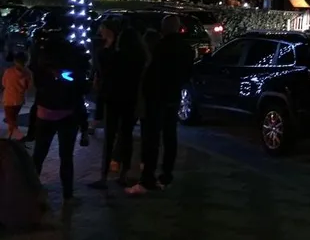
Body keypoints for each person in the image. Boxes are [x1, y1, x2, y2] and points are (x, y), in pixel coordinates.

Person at [126, 15, 193, 195]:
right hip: (173, 96)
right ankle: (166, 176)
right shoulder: (186, 48)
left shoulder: (160, 47)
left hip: (156, 97)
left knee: (152, 139)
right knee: (170, 137)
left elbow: (152, 73)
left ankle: (148, 177)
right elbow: (188, 73)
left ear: (164, 28)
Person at [30, 36, 87, 202]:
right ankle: (68, 194)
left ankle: (31, 189)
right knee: (66, 157)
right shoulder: (73, 67)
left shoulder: (41, 67)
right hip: (68, 115)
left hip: (45, 113)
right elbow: (80, 92)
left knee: (39, 154)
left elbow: (38, 87)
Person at [90, 25, 146, 188]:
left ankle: (104, 175)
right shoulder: (139, 59)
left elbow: (101, 63)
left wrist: (108, 42)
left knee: (110, 137)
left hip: (113, 99)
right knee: (126, 137)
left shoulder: (114, 56)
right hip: (130, 100)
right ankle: (124, 174)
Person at [2, 51, 32, 139]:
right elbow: (29, 87)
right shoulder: (28, 73)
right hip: (19, 100)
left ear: (15, 61)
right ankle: (12, 136)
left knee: (10, 119)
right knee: (14, 118)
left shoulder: (8, 71)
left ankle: (18, 137)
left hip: (8, 99)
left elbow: (4, 83)